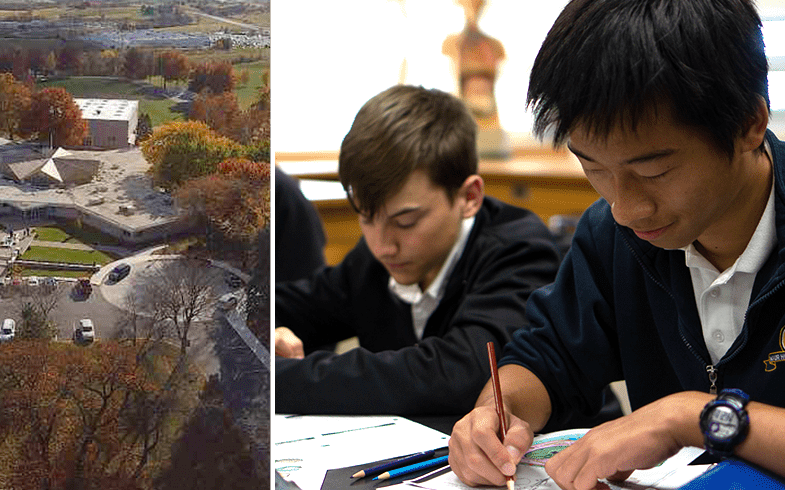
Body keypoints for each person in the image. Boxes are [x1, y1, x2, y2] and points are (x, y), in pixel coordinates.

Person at [447, 1, 785, 488]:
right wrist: (496, 418)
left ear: (750, 124)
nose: (625, 209)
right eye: (594, 168)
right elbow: (547, 359)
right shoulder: (611, 235)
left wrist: (688, 417)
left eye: (653, 171)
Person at [274, 85, 561, 415]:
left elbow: (459, 376)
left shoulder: (521, 252)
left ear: (469, 197)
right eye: (366, 217)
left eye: (406, 221)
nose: (384, 245)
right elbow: (289, 304)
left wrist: (270, 380)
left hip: (561, 458)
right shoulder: (373, 261)